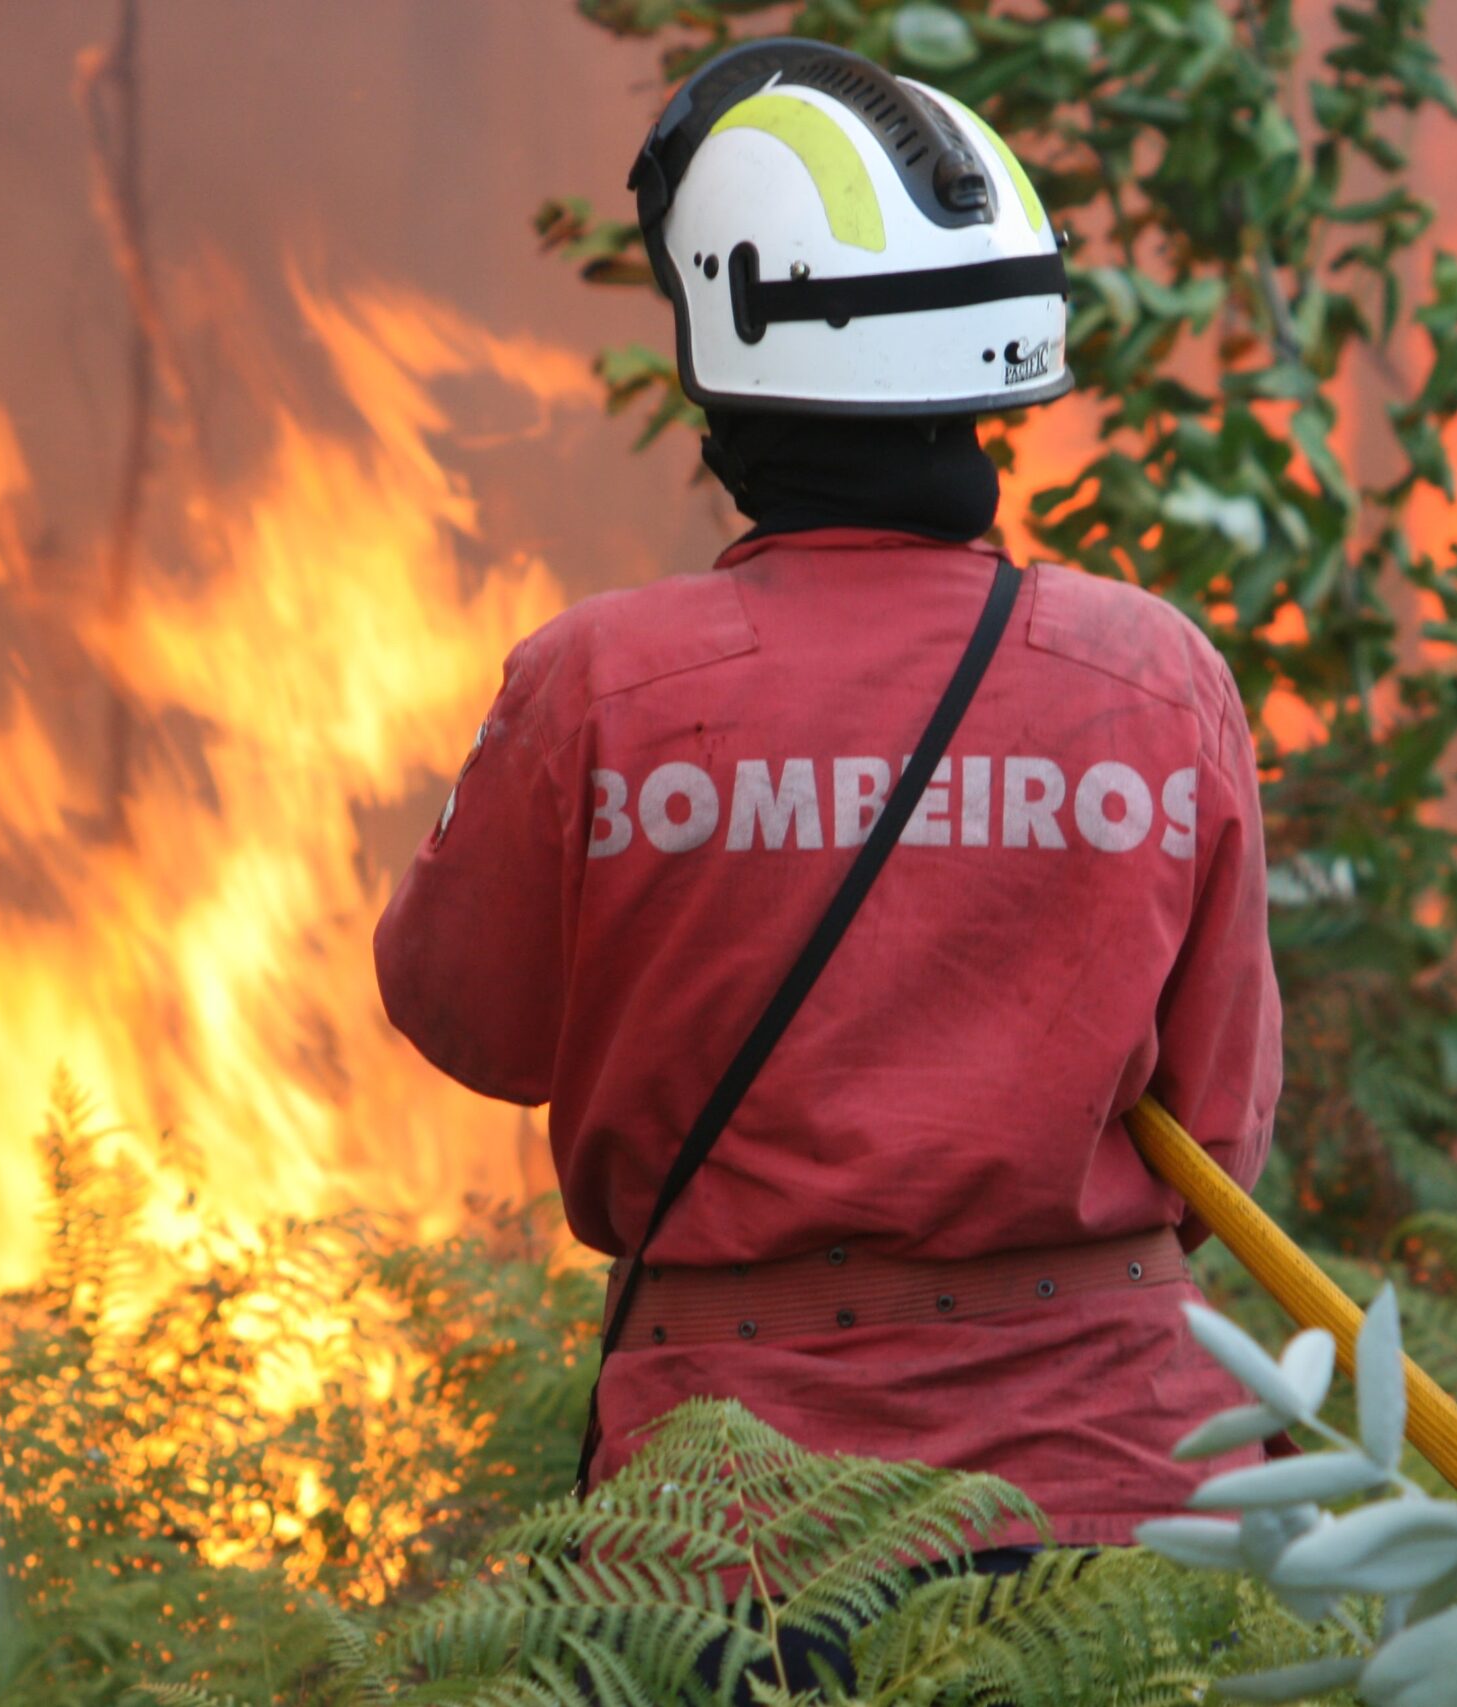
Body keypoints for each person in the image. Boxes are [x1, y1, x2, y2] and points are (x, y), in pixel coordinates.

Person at [374, 34, 1280, 1598]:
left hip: (730, 1532)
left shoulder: (598, 683)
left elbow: (473, 1023)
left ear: (727, 347)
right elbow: (1219, 1132)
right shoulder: (1158, 676)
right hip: (1135, 1510)